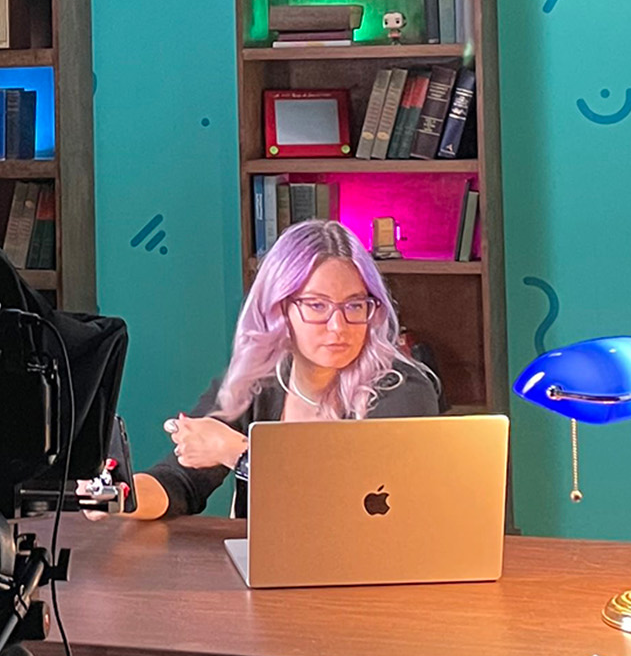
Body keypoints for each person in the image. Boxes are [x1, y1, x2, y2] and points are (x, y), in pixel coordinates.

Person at [100, 219, 442, 520]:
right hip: (267, 574)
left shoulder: (402, 387)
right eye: (317, 305)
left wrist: (238, 452)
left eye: (354, 305)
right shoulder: (259, 381)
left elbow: (357, 503)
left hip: (372, 576)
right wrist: (119, 496)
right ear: (279, 310)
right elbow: (182, 482)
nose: (339, 326)